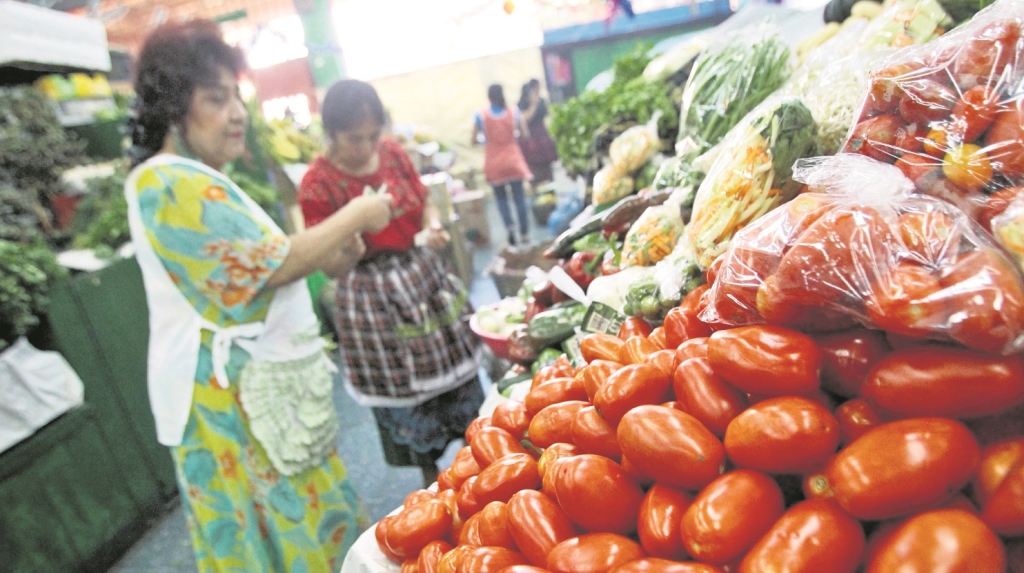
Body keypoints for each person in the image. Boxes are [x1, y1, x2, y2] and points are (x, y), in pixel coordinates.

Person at [124, 21, 392, 572]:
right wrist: (357, 214)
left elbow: (271, 264)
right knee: (275, 532)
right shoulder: (166, 182)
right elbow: (269, 266)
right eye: (215, 100)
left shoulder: (205, 179)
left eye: (237, 97)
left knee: (306, 521)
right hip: (226, 408)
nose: (237, 113)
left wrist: (337, 251)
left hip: (259, 396)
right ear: (175, 110)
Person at [297, 79, 485, 487]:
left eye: (371, 135)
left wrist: (433, 226)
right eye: (353, 139)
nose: (366, 147)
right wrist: (352, 233)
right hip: (369, 296)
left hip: (421, 278)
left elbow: (424, 201)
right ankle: (432, 483)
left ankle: (482, 465)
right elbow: (331, 266)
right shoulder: (317, 184)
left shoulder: (394, 153)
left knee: (459, 382)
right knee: (406, 395)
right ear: (331, 132)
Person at [472, 84, 533, 245]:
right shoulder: (514, 111)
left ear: (489, 97)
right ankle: (525, 233)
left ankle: (510, 227)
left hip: (494, 161)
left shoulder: (481, 115)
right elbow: (525, 134)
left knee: (501, 199)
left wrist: (485, 139)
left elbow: (473, 139)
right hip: (513, 158)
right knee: (519, 198)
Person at [517, 79, 559, 185]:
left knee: (548, 166)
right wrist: (533, 105)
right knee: (533, 169)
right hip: (530, 138)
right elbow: (525, 120)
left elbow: (549, 115)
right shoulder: (522, 105)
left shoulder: (542, 101)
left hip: (542, 136)